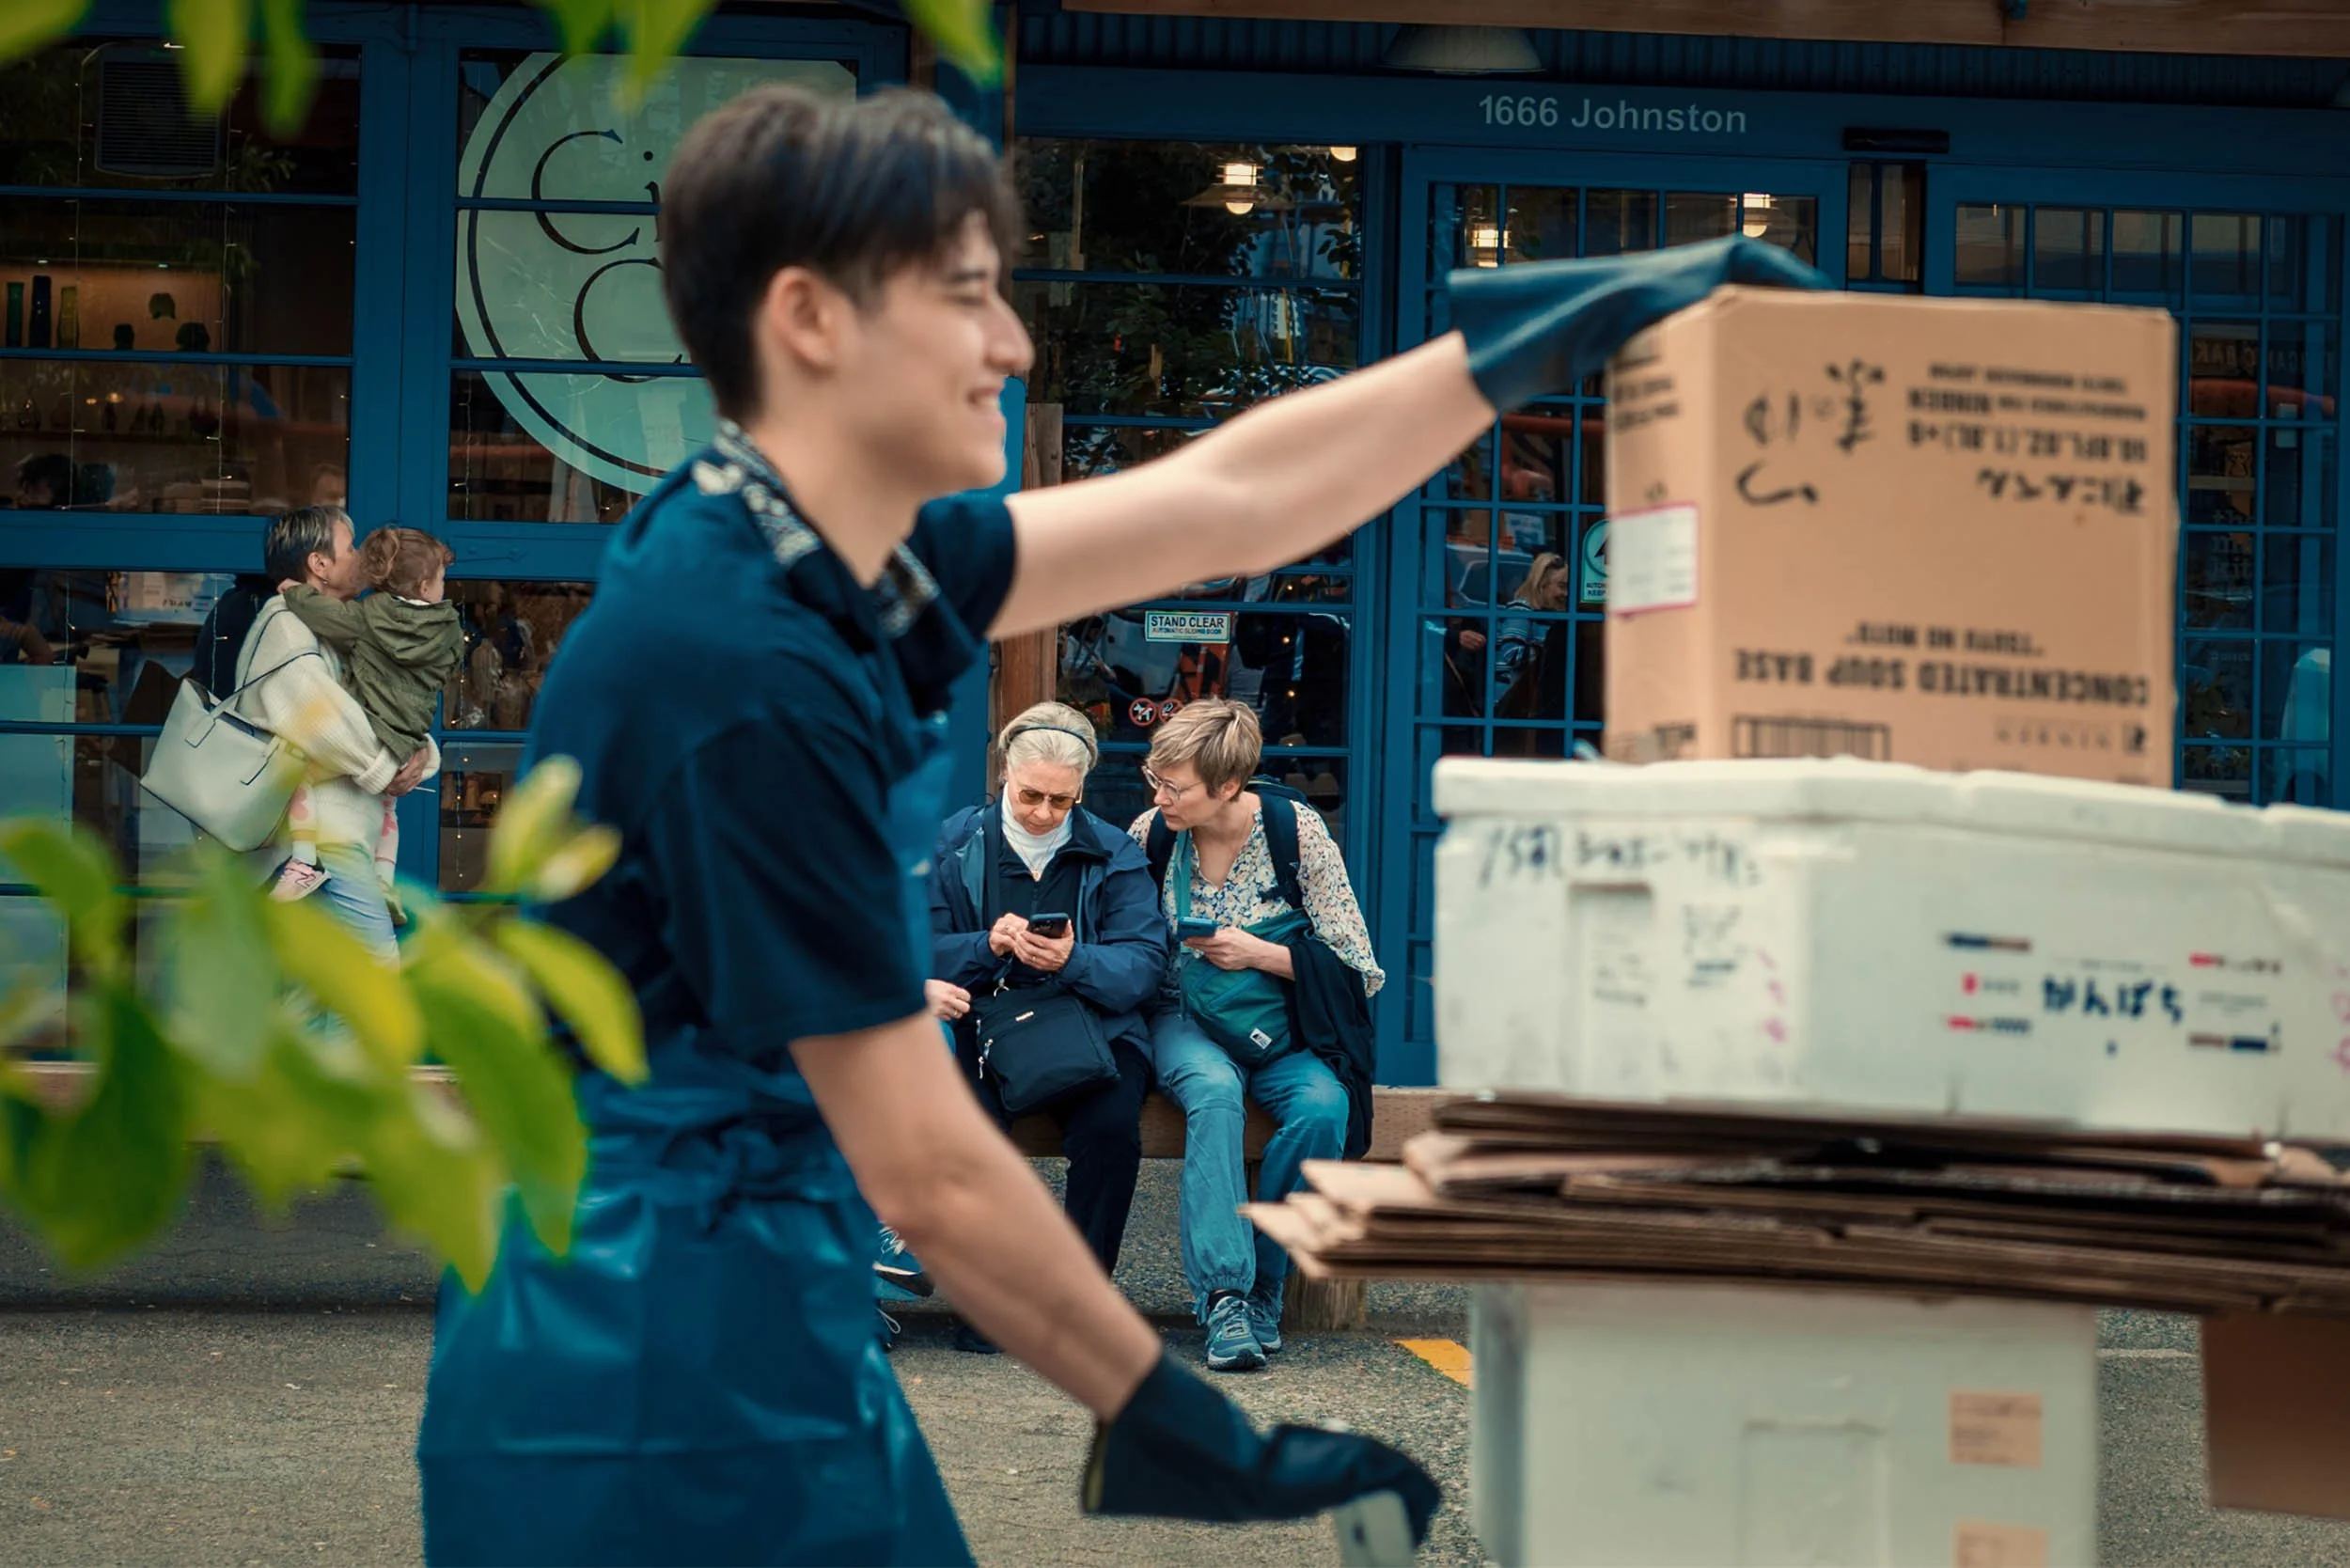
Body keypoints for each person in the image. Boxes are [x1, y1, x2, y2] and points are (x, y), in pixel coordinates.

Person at [412, 80, 1820, 1567]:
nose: (1013, 345)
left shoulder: (812, 548)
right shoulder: (742, 662)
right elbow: (932, 1166)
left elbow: (1226, 501)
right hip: (643, 1373)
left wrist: (1524, 343)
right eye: (969, 298)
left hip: (735, 1299)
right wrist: (1171, 1414)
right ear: (812, 318)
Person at [1127, 699, 1381, 1372]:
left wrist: (1258, 954)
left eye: (1174, 786)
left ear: (1229, 786)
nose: (1160, 796)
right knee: (1213, 1095)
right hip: (1180, 1017)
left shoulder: (1292, 831)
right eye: (1156, 778)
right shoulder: (1152, 834)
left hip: (1275, 1023)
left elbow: (1359, 964)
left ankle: (1266, 1282)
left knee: (1326, 1107)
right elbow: (1124, 944)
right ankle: (1225, 1297)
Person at [929, 702, 1169, 1351]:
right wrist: (986, 945)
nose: (1041, 812)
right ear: (1003, 774)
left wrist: (1073, 958)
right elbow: (911, 947)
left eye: (1060, 801)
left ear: (1082, 790)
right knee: (973, 1137)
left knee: (1111, 1132)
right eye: (1029, 794)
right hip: (986, 1031)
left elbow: (1144, 965)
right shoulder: (954, 842)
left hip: (1094, 1029)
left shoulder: (1114, 852)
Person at [231, 506, 434, 962]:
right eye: (350, 546)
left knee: (317, 996)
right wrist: (390, 767)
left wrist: (420, 752)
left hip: (335, 842)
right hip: (327, 845)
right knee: (374, 977)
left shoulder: (325, 627)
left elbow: (385, 704)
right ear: (318, 564)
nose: (361, 555)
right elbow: (326, 721)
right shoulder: (286, 626)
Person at [271, 527, 464, 917]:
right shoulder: (449, 632)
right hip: (406, 739)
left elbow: (322, 614)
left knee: (296, 770)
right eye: (441, 580)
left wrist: (294, 592)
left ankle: (305, 858)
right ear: (426, 587)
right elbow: (446, 671)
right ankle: (383, 880)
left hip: (370, 736)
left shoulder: (366, 619)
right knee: (390, 811)